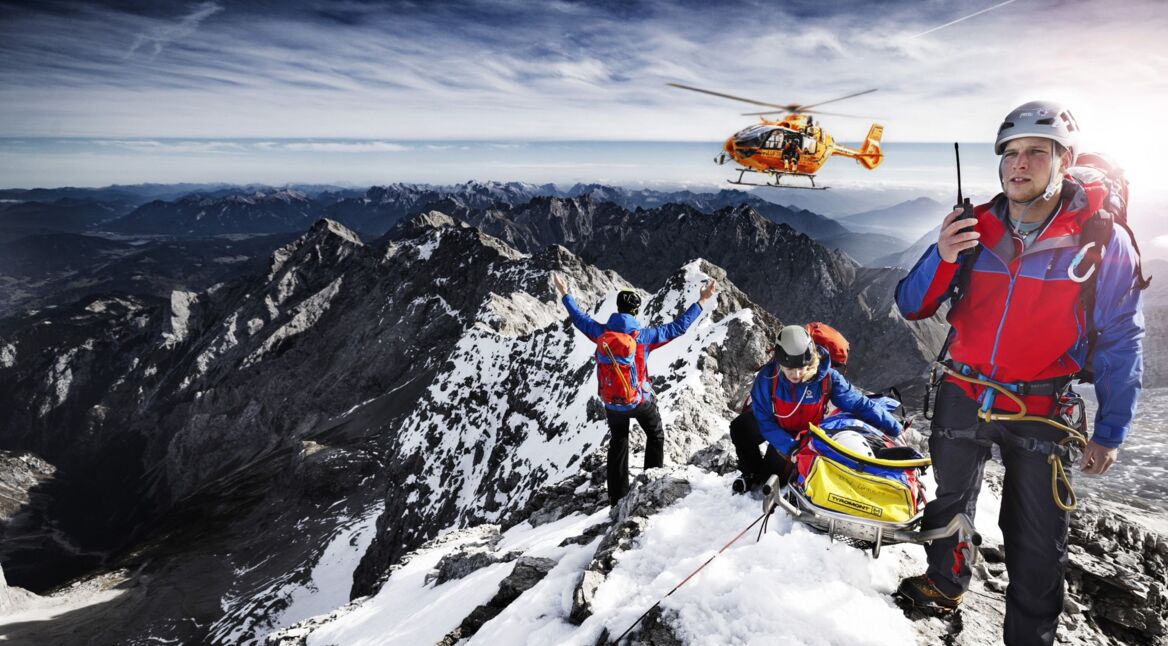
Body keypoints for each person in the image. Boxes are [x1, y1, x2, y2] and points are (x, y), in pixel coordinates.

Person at [894, 101, 1144, 645]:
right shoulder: (972, 227)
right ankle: (945, 582)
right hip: (964, 388)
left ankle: (1029, 638)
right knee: (949, 499)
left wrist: (1110, 432)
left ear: (1065, 160)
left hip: (1042, 406)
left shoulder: (1100, 242)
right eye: (1010, 153)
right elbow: (910, 305)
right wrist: (940, 255)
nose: (1019, 164)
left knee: (1036, 537)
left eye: (1036, 151)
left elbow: (1122, 337)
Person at [554, 273, 717, 505]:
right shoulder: (644, 337)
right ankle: (651, 483)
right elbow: (678, 328)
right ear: (636, 312)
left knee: (618, 440)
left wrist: (565, 293)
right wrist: (702, 300)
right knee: (655, 433)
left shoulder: (601, 334)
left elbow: (579, 319)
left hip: (611, 402)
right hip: (638, 400)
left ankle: (616, 497)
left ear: (618, 308)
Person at [730, 324, 903, 493]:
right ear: (779, 361)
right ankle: (749, 472)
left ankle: (762, 474)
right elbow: (764, 421)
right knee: (741, 428)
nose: (797, 375)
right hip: (779, 427)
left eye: (801, 368)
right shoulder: (768, 377)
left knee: (769, 477)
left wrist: (894, 427)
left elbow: (858, 404)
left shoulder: (827, 378)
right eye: (790, 368)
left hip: (804, 437)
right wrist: (789, 448)